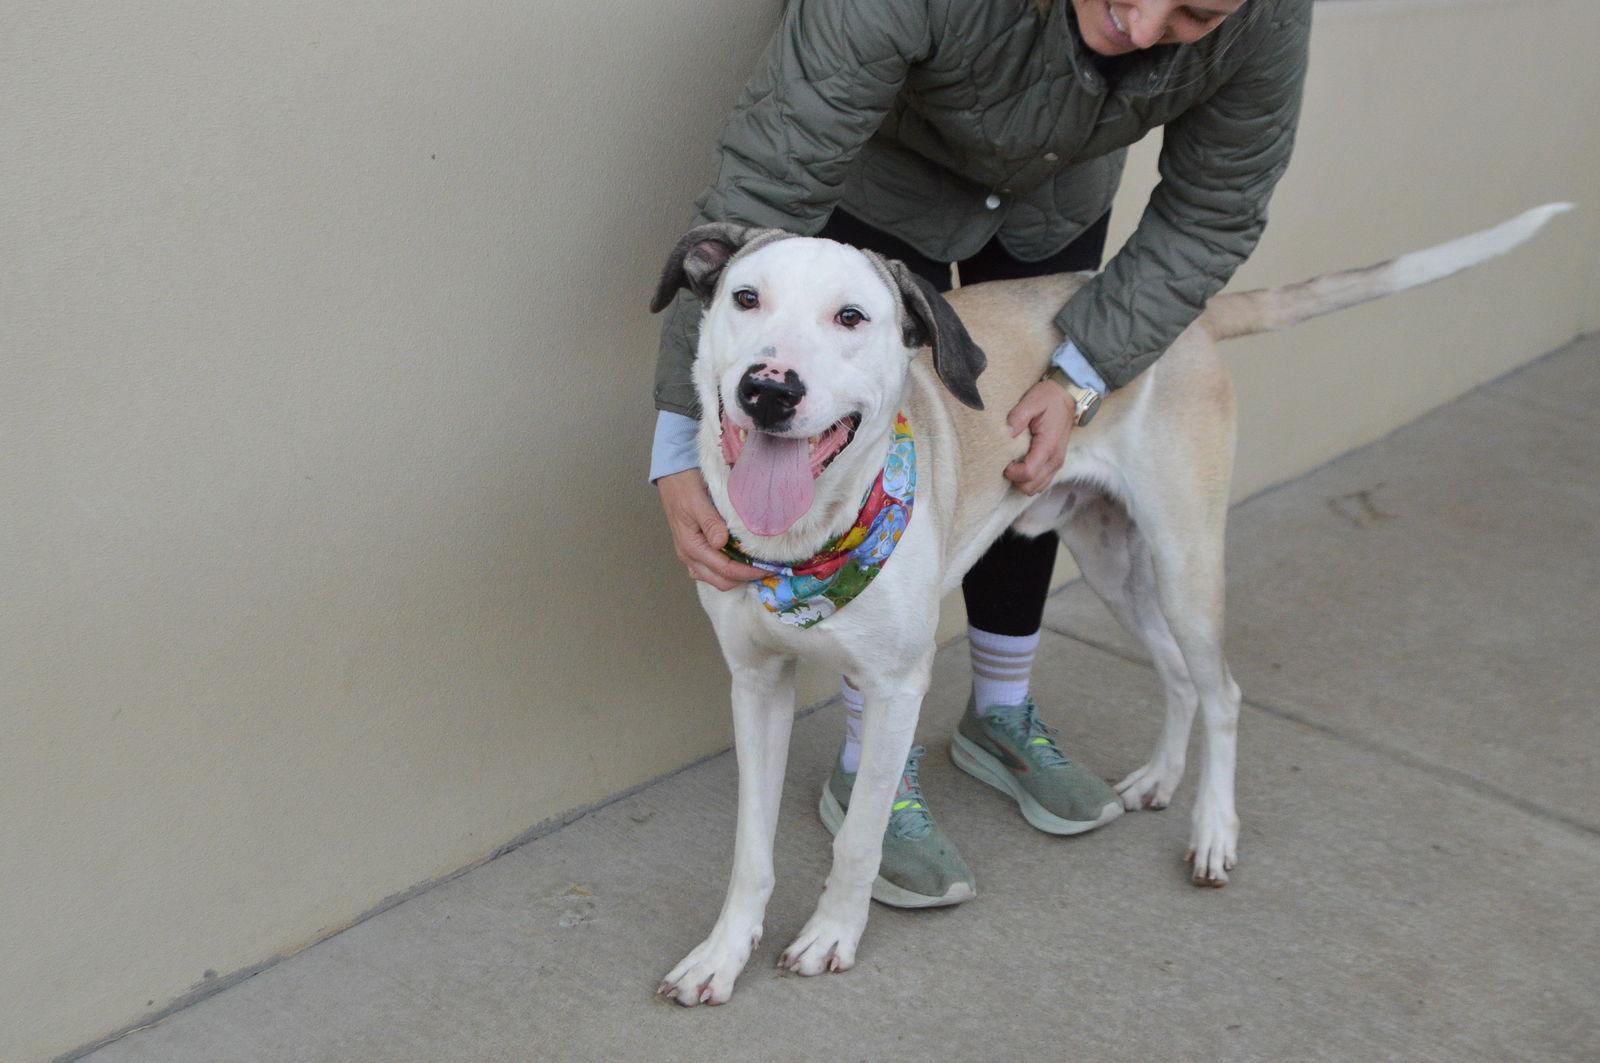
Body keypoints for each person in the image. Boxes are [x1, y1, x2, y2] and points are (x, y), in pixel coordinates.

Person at [650, 0, 1311, 906]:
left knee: (1015, 486)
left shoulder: (1265, 14)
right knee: (839, 462)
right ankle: (870, 769)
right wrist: (679, 434)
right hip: (877, 179)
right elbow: (767, 180)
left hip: (1051, 199)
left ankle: (1000, 712)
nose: (1145, 27)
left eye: (1195, 14)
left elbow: (1218, 201)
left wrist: (1083, 373)